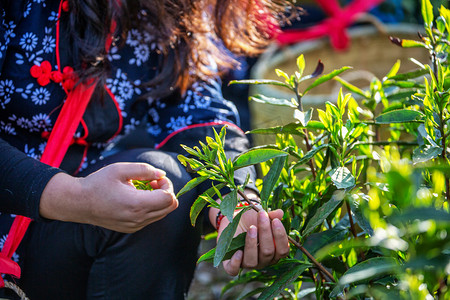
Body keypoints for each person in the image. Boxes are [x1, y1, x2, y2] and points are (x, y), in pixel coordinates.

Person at [0, 0, 292, 298]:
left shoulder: (159, 11)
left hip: (51, 245)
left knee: (161, 183)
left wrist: (236, 201)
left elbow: (201, 114)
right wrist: (74, 197)